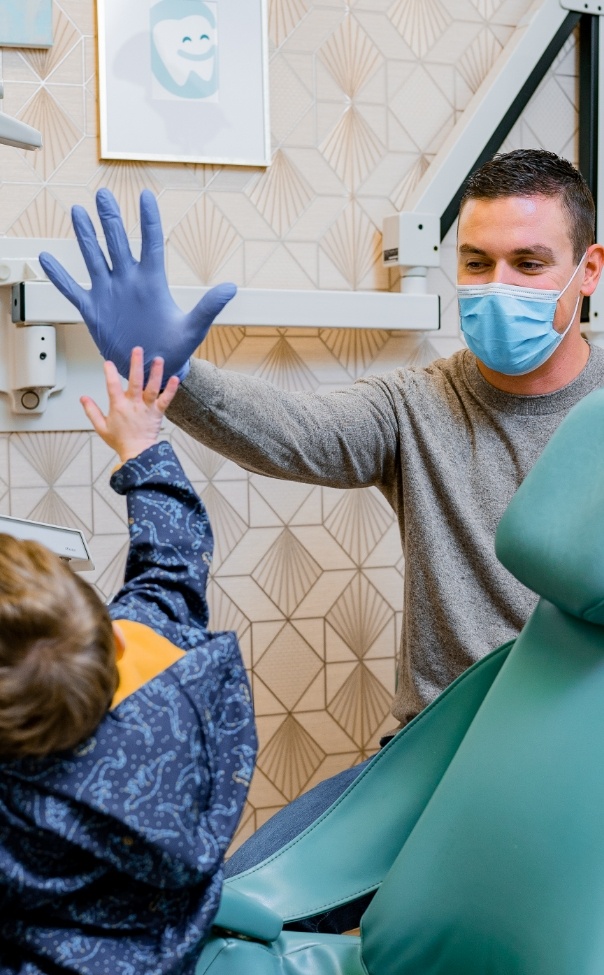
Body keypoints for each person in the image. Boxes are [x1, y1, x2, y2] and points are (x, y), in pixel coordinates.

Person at [38, 148, 604, 929]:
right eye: (478, 262)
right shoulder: (419, 405)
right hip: (429, 764)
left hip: (583, 770)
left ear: (590, 269)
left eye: (529, 263)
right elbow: (295, 431)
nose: (498, 286)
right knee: (238, 920)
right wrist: (177, 370)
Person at [0, 347, 256, 975]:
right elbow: (173, 560)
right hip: (172, 968)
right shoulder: (174, 691)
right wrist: (142, 444)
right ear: (114, 645)